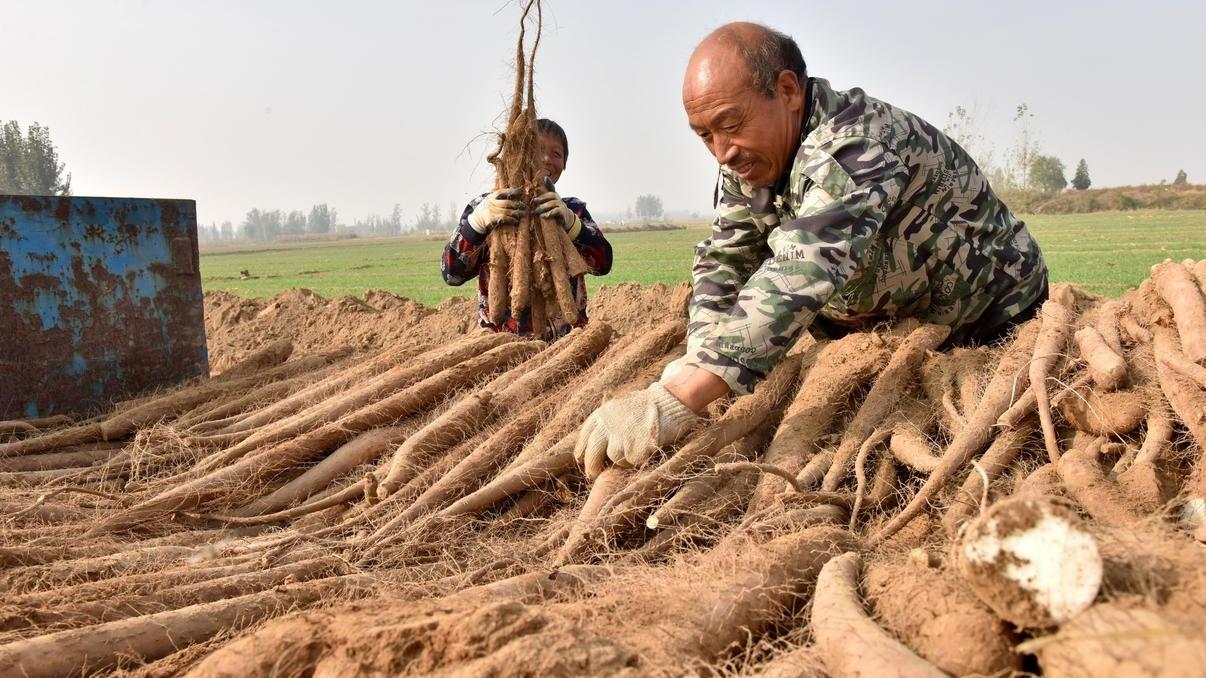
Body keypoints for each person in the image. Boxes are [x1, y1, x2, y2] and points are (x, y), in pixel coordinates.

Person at [573, 22, 1048, 480]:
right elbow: (726, 259)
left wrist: (677, 395)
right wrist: (700, 355)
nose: (721, 152)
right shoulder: (751, 159)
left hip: (991, 323)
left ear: (787, 91)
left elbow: (802, 268)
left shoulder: (857, 144)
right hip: (890, 330)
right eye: (704, 135)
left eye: (729, 124)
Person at [441, 118, 612, 338]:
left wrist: (571, 224)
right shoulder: (488, 207)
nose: (547, 159)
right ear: (516, 153)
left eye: (556, 154)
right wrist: (478, 222)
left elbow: (604, 263)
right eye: (538, 149)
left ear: (565, 164)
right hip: (499, 344)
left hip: (567, 344)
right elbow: (451, 274)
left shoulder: (572, 210)